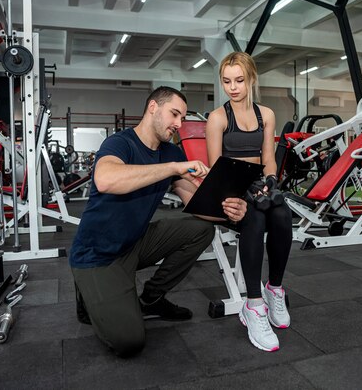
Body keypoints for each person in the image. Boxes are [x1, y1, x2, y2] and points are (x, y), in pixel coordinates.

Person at [69, 86, 246, 357]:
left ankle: (151, 299)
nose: (179, 124)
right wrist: (174, 168)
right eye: (175, 114)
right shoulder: (120, 143)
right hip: (97, 255)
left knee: (201, 230)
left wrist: (229, 211)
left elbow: (195, 204)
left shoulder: (170, 153)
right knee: (129, 342)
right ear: (153, 107)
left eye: (183, 118)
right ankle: (89, 293)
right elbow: (105, 180)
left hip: (136, 242)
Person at [206, 52, 293, 352]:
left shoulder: (265, 115)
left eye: (240, 80)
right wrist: (241, 194)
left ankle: (275, 289)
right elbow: (217, 170)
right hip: (230, 190)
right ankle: (253, 305)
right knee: (254, 218)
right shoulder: (217, 118)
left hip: (257, 183)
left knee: (282, 215)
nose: (233, 87)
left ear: (252, 79)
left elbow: (268, 159)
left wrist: (269, 183)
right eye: (227, 81)